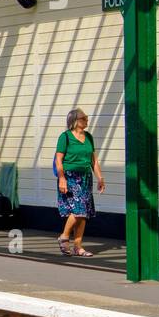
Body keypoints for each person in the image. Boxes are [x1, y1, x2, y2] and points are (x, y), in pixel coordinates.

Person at [55, 108, 105, 257]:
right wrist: (62, 178)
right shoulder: (65, 137)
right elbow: (59, 160)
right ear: (75, 121)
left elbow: (93, 160)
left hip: (85, 177)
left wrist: (100, 178)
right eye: (84, 118)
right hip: (70, 176)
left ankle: (78, 246)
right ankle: (64, 237)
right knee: (79, 209)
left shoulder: (88, 137)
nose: (87, 120)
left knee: (83, 213)